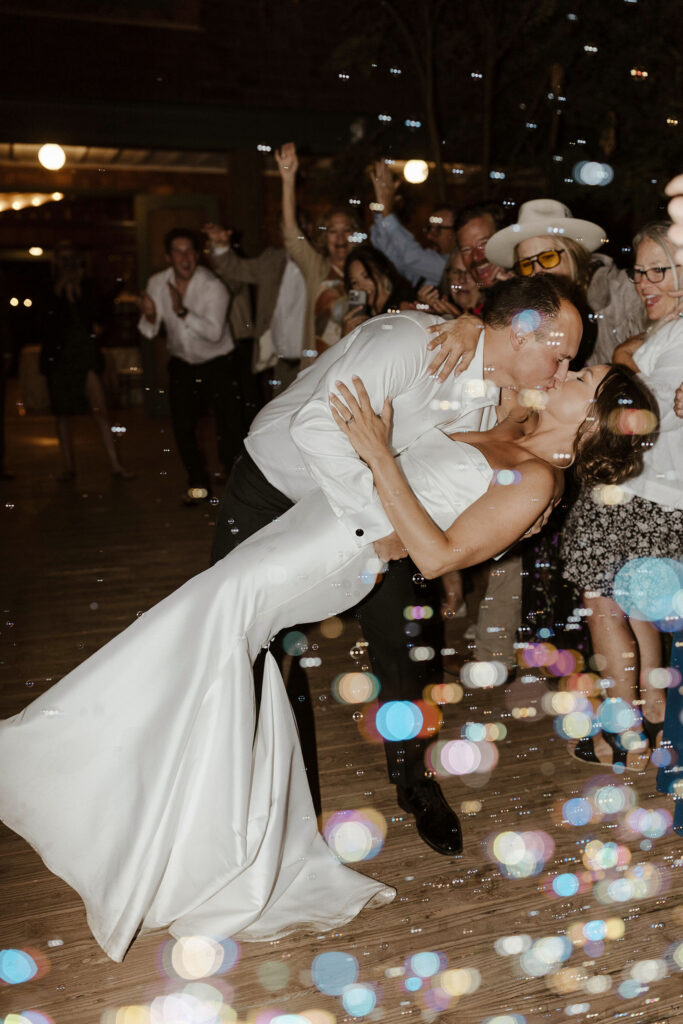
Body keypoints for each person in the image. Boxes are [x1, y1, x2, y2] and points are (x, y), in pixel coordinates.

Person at [0, 346, 653, 961]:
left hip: (335, 552)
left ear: (591, 421)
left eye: (582, 379)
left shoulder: (536, 480)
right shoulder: (514, 424)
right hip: (322, 518)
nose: (567, 370)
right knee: (202, 641)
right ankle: (165, 819)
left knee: (199, 624)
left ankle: (86, 782)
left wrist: (378, 455)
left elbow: (436, 556)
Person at [211, 276, 586, 856]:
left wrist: (521, 512)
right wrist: (379, 530)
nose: (563, 370)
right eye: (560, 355)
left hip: (372, 519)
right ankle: (268, 804)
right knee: (249, 649)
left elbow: (463, 470)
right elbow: (316, 426)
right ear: (521, 332)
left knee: (407, 647)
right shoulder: (408, 343)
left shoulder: (492, 390)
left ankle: (415, 781)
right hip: (275, 492)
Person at [560, 221, 683, 769]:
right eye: (640, 272)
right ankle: (647, 718)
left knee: (605, 606)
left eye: (661, 271)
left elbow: (639, 412)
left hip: (639, 495)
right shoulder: (667, 328)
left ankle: (627, 725)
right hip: (650, 492)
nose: (645, 283)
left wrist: (623, 363)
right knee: (633, 609)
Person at [138, 228, 241, 505]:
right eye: (177, 252)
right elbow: (149, 331)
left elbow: (215, 334)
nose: (184, 257)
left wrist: (183, 311)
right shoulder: (157, 283)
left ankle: (235, 488)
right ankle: (198, 486)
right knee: (183, 427)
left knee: (228, 427)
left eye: (189, 251)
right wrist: (150, 316)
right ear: (168, 257)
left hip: (218, 363)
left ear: (197, 255)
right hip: (182, 364)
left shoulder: (213, 286)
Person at [485, 198, 648, 365]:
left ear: (573, 254)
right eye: (526, 265)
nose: (537, 272)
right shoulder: (529, 315)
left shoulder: (623, 291)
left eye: (548, 257)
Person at [39, 241, 132, 481]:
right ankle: (68, 467)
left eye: (71, 258)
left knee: (100, 407)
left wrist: (79, 294)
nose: (67, 264)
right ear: (56, 261)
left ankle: (116, 465)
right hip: (58, 357)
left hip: (85, 354)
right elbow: (43, 323)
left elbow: (100, 317)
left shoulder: (89, 286)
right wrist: (60, 292)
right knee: (61, 412)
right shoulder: (48, 287)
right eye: (62, 259)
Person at [204, 221, 307, 397]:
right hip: (281, 362)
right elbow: (237, 269)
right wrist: (221, 247)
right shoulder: (271, 260)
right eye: (286, 228)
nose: (294, 233)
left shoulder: (321, 263)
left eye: (299, 227)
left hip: (316, 360)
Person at [276, 142, 360, 361]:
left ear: (356, 234)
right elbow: (291, 232)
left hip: (357, 366)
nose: (340, 238)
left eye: (346, 230)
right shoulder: (315, 266)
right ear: (324, 236)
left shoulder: (368, 272)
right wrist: (288, 180)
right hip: (317, 369)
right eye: (333, 231)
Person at [341, 244, 416, 338]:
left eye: (366, 276)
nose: (361, 287)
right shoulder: (366, 317)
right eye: (354, 282)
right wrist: (346, 336)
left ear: (383, 271)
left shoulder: (403, 307)